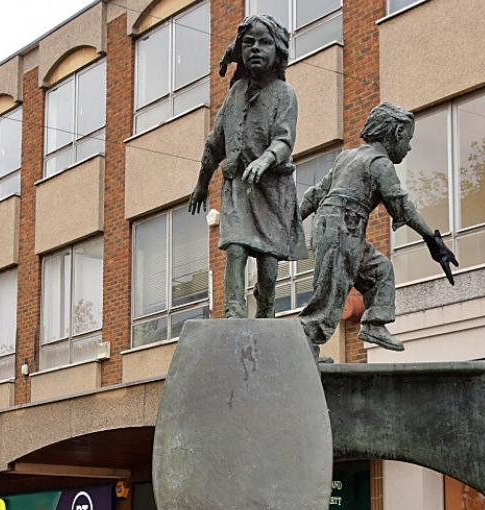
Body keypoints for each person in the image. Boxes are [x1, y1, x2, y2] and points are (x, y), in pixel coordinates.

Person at [298, 102, 453, 357]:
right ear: (395, 135)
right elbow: (402, 206)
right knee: (330, 293)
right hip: (342, 227)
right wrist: (431, 239)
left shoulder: (347, 157)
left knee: (380, 271)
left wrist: (295, 220)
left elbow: (315, 194)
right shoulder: (379, 164)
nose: (409, 147)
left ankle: (373, 324)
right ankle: (302, 354)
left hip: (342, 227)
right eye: (408, 139)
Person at [189, 14, 307, 318]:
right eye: (248, 42)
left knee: (268, 267)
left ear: (277, 50)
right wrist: (202, 183)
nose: (255, 48)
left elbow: (284, 140)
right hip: (239, 185)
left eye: (264, 42)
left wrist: (266, 158)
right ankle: (234, 312)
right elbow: (215, 142)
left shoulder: (284, 94)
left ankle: (265, 314)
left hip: (272, 189)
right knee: (237, 247)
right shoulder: (234, 94)